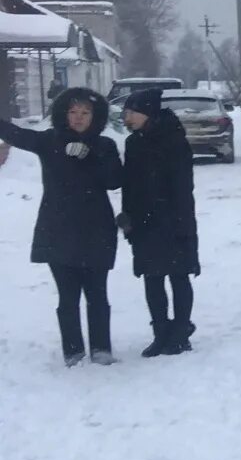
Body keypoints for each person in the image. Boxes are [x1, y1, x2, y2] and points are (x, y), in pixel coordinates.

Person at [0, 86, 124, 365]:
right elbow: (14, 135)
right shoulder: (48, 141)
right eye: (72, 112)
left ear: (96, 116)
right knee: (68, 297)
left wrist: (90, 155)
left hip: (96, 229)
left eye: (85, 112)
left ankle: (102, 349)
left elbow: (114, 180)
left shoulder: (105, 146)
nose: (79, 118)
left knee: (97, 294)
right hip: (58, 229)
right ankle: (73, 351)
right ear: (63, 114)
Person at [119, 87, 201, 357]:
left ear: (147, 114)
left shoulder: (174, 140)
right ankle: (160, 333)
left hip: (173, 220)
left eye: (132, 112)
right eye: (126, 112)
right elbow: (129, 186)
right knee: (152, 279)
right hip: (144, 223)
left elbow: (182, 187)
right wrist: (128, 218)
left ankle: (180, 332)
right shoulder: (133, 142)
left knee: (179, 276)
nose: (127, 117)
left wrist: (182, 224)